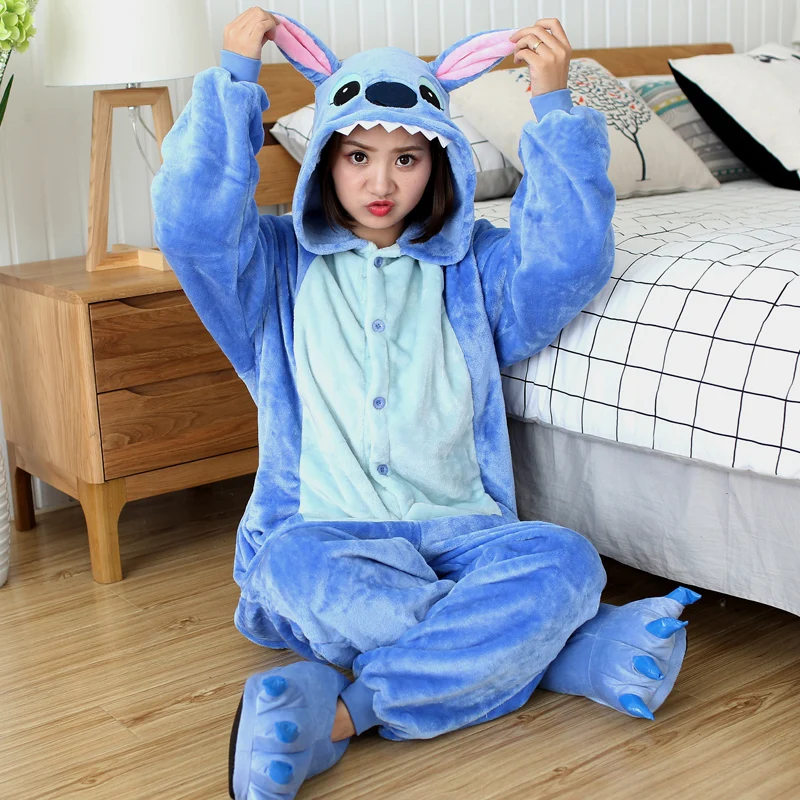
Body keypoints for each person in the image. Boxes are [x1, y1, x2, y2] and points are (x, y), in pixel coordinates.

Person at [150, 8, 701, 799]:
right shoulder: (269, 269)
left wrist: (553, 107)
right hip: (327, 533)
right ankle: (558, 650)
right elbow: (191, 224)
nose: (381, 184)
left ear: (439, 162)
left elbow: (569, 259)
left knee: (568, 560)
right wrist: (235, 82)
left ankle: (344, 716)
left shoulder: (475, 267)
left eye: (406, 158)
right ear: (325, 158)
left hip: (466, 531)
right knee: (291, 574)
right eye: (358, 156)